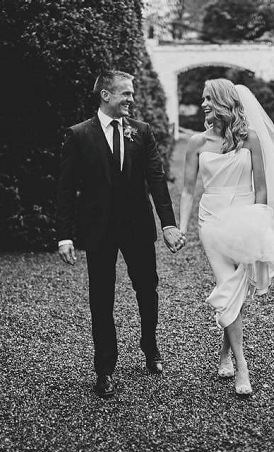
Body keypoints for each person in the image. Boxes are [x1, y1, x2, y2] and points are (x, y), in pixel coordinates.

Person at [56, 70, 186, 398]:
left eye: (131, 93)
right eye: (126, 93)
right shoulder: (78, 134)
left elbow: (156, 178)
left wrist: (168, 224)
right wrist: (65, 235)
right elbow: (65, 188)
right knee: (101, 299)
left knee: (147, 289)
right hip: (98, 230)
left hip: (137, 226)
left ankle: (150, 347)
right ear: (106, 95)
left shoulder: (141, 131)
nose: (132, 98)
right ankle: (104, 369)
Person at [178, 79, 274, 396]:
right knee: (228, 285)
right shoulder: (196, 142)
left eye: (208, 98)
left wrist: (260, 226)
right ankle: (242, 365)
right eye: (203, 98)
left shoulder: (250, 138)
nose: (203, 103)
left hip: (246, 218)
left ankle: (225, 352)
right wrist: (181, 228)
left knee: (237, 290)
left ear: (223, 101)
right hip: (211, 222)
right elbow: (188, 190)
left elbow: (261, 188)